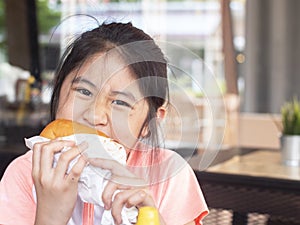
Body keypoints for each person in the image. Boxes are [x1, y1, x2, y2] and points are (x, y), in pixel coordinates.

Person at [0, 21, 208, 225]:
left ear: (149, 122)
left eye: (120, 102)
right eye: (84, 91)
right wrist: (50, 218)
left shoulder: (168, 175)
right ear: (58, 89)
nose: (95, 115)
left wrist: (150, 218)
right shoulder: (24, 173)